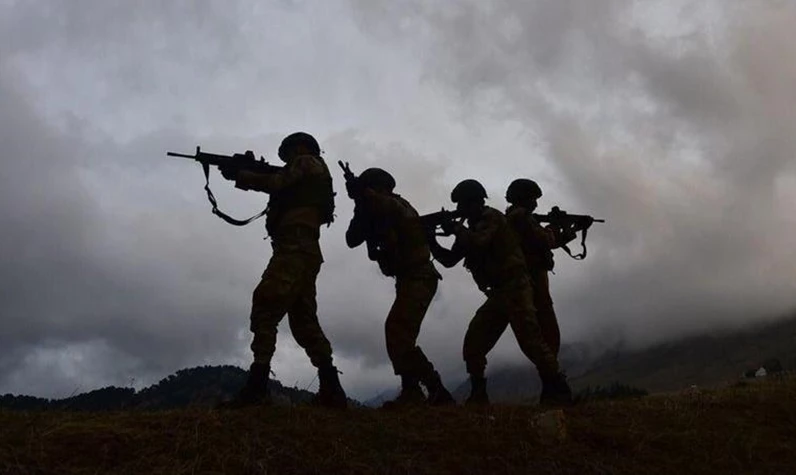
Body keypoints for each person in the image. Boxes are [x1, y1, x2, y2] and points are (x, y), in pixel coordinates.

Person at [220, 132, 348, 408]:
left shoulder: (307, 162)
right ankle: (332, 390)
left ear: (300, 148)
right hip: (303, 248)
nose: (287, 158)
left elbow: (277, 182)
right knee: (304, 322)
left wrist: (242, 176)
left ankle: (257, 389)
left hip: (295, 247)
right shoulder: (310, 170)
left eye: (288, 152)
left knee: (265, 305)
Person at [428, 179, 572, 406]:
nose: (460, 211)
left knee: (531, 341)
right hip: (498, 294)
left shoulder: (492, 218)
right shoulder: (473, 227)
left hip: (515, 287)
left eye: (464, 205)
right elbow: (449, 260)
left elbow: (478, 243)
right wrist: (430, 240)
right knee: (474, 343)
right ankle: (478, 394)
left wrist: (455, 228)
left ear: (476, 202)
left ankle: (558, 389)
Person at [345, 168, 455, 407]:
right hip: (407, 279)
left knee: (397, 330)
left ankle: (434, 389)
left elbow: (389, 208)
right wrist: (359, 204)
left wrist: (363, 195)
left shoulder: (398, 205)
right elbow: (351, 239)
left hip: (420, 276)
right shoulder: (371, 211)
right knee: (400, 334)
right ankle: (413, 390)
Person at [505, 178, 577, 356]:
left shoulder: (516, 217)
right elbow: (546, 240)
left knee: (544, 331)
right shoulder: (521, 217)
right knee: (547, 330)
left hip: (530, 280)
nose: (536, 204)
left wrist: (566, 230)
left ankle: (551, 370)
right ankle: (553, 374)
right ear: (523, 198)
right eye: (533, 199)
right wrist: (558, 225)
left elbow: (542, 242)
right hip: (532, 280)